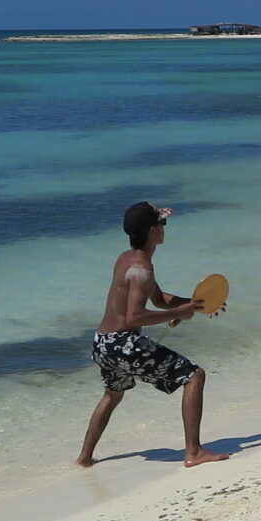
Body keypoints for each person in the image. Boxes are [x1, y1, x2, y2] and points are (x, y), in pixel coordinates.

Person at [80, 201, 226, 469]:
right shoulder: (143, 268)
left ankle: (84, 458)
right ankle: (193, 452)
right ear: (152, 231)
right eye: (162, 223)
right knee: (194, 376)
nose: (164, 227)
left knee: (113, 394)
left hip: (102, 342)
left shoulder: (127, 259)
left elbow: (159, 299)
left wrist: (197, 304)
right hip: (122, 343)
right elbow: (134, 317)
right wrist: (178, 314)